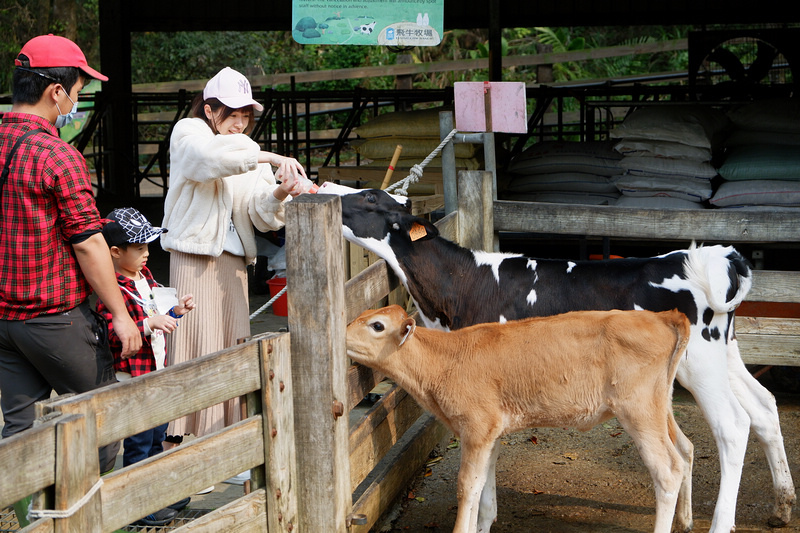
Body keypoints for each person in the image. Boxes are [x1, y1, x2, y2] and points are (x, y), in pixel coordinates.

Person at [0, 34, 141, 526]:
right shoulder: (57, 156)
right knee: (100, 421)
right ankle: (86, 519)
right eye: (79, 88)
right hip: (56, 319)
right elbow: (88, 242)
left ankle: (33, 521)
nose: (79, 99)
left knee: (18, 435)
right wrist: (122, 315)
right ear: (55, 92)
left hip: (4, 322)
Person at [161, 66, 311, 450]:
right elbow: (208, 159)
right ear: (210, 110)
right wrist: (271, 156)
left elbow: (259, 212)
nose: (240, 123)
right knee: (196, 346)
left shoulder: (245, 151)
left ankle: (228, 444)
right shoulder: (189, 132)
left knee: (232, 347)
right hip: (194, 256)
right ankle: (186, 443)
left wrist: (280, 191)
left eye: (246, 116)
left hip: (233, 264)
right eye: (233, 114)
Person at [96, 207, 196, 526]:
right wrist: (148, 324)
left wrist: (177, 310)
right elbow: (113, 335)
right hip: (133, 376)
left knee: (156, 435)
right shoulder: (110, 289)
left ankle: (157, 491)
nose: (146, 254)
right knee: (138, 442)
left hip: (156, 370)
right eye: (139, 248)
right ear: (115, 251)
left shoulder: (145, 276)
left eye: (147, 247)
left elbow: (158, 313)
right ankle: (139, 505)